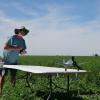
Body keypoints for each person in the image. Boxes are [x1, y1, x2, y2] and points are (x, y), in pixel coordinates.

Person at [0, 26, 29, 94]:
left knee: (13, 76)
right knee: (2, 76)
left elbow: (21, 50)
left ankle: (12, 91)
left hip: (14, 61)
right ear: (19, 31)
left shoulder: (23, 40)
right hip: (5, 61)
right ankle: (0, 91)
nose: (24, 32)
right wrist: (17, 48)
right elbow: (5, 47)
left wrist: (22, 52)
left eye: (24, 31)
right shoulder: (12, 37)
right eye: (23, 31)